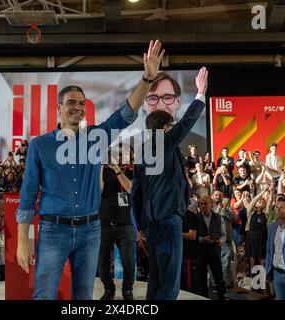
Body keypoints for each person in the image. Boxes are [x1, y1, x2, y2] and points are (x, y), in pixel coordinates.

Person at [16, 40, 165, 300]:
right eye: (71, 102)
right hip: (53, 232)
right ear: (59, 108)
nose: (78, 107)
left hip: (90, 231)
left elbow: (126, 114)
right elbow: (28, 196)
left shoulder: (97, 137)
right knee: (44, 295)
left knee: (84, 297)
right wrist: (21, 241)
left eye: (82, 103)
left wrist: (147, 79)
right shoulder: (40, 146)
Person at [132, 67, 207, 300]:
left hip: (151, 223)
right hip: (167, 221)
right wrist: (200, 94)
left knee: (156, 276)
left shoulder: (143, 151)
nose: (174, 130)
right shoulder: (163, 141)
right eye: (171, 127)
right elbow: (187, 122)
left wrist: (140, 226)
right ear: (165, 129)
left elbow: (136, 194)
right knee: (170, 282)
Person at [98, 147, 135, 301]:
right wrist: (101, 166)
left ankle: (127, 290)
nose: (119, 156)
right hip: (104, 224)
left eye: (123, 154)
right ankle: (109, 289)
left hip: (124, 225)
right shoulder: (105, 171)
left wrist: (118, 171)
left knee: (128, 261)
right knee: (102, 264)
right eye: (117, 154)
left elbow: (130, 188)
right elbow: (99, 189)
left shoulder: (132, 171)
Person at [196, 195, 227, 300]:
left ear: (211, 205)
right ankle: (203, 298)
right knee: (202, 279)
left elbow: (224, 235)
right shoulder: (196, 218)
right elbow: (193, 236)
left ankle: (222, 298)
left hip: (214, 251)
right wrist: (201, 239)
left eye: (205, 203)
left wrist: (221, 241)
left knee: (219, 278)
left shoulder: (218, 217)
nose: (203, 206)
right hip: (201, 252)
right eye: (201, 204)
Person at [212, 190, 236, 290]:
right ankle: (215, 285)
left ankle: (226, 285)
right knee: (214, 265)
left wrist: (226, 209)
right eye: (216, 195)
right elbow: (211, 218)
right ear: (213, 196)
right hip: (214, 241)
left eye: (220, 195)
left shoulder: (227, 206)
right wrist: (218, 210)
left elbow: (234, 218)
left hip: (226, 240)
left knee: (226, 264)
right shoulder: (209, 205)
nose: (218, 197)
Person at [180, 200, 201, 295]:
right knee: (182, 286)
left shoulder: (190, 216)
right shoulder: (177, 216)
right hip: (181, 255)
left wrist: (175, 232)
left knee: (191, 287)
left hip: (189, 257)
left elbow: (192, 236)